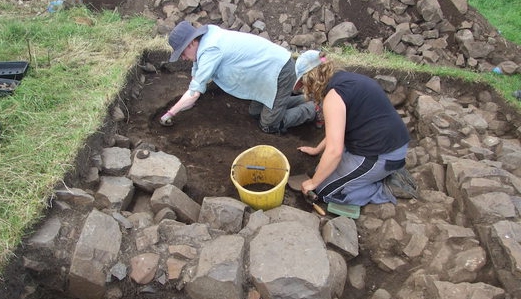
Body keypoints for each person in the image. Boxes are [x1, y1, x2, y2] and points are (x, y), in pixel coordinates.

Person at [294, 50, 418, 206]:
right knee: (324, 168)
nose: (306, 91)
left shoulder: (334, 97)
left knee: (325, 190)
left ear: (310, 79)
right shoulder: (345, 81)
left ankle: (387, 188)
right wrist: (317, 150)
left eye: (304, 85)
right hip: (384, 142)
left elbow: (334, 151)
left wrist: (313, 183)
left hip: (381, 153)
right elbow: (338, 131)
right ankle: (377, 173)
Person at [160, 21, 317, 134]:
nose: (183, 58)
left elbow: (194, 92)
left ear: (192, 43)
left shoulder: (210, 50)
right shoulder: (206, 40)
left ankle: (313, 109)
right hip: (265, 75)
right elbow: (196, 77)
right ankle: (304, 99)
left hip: (279, 72)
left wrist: (170, 113)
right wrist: (185, 103)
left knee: (269, 125)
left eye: (182, 54)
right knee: (255, 112)